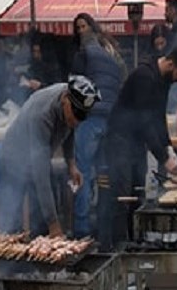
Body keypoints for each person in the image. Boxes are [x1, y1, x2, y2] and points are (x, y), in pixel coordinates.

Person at [98, 47, 177, 252]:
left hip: (136, 143)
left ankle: (135, 240)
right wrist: (162, 157)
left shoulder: (163, 81)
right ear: (170, 64)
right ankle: (115, 246)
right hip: (119, 140)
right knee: (123, 194)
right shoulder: (144, 77)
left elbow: (159, 116)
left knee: (138, 192)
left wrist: (168, 147)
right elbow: (144, 121)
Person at [0, 76, 98, 237]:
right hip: (13, 159)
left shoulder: (70, 102)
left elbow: (70, 129)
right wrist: (54, 224)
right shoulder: (42, 114)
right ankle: (8, 258)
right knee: (12, 222)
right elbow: (40, 174)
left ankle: (42, 246)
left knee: (42, 222)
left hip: (37, 160)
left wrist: (71, 164)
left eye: (82, 116)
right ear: (65, 99)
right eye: (76, 113)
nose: (77, 120)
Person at [69, 29, 124, 239]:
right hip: (109, 120)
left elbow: (74, 89)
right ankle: (103, 224)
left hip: (90, 117)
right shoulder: (111, 60)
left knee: (80, 170)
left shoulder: (83, 55)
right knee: (102, 172)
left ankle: (81, 228)